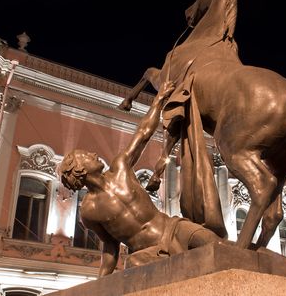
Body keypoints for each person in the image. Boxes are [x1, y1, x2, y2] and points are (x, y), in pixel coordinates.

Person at [58, 81, 221, 277]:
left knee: (214, 245)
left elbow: (143, 133)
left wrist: (159, 100)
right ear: (79, 169)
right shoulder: (89, 211)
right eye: (85, 155)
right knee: (133, 264)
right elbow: (110, 246)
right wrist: (102, 281)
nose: (92, 153)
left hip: (173, 229)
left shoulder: (120, 168)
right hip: (147, 252)